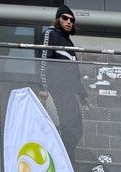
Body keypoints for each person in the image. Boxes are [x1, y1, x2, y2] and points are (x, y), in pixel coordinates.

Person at [40, 4, 84, 142]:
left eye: (72, 20)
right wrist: (43, 89)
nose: (69, 22)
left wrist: (82, 93)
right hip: (55, 91)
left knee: (76, 131)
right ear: (58, 19)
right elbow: (42, 62)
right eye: (65, 18)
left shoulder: (69, 42)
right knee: (61, 130)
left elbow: (74, 71)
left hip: (69, 94)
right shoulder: (50, 34)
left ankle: (67, 155)